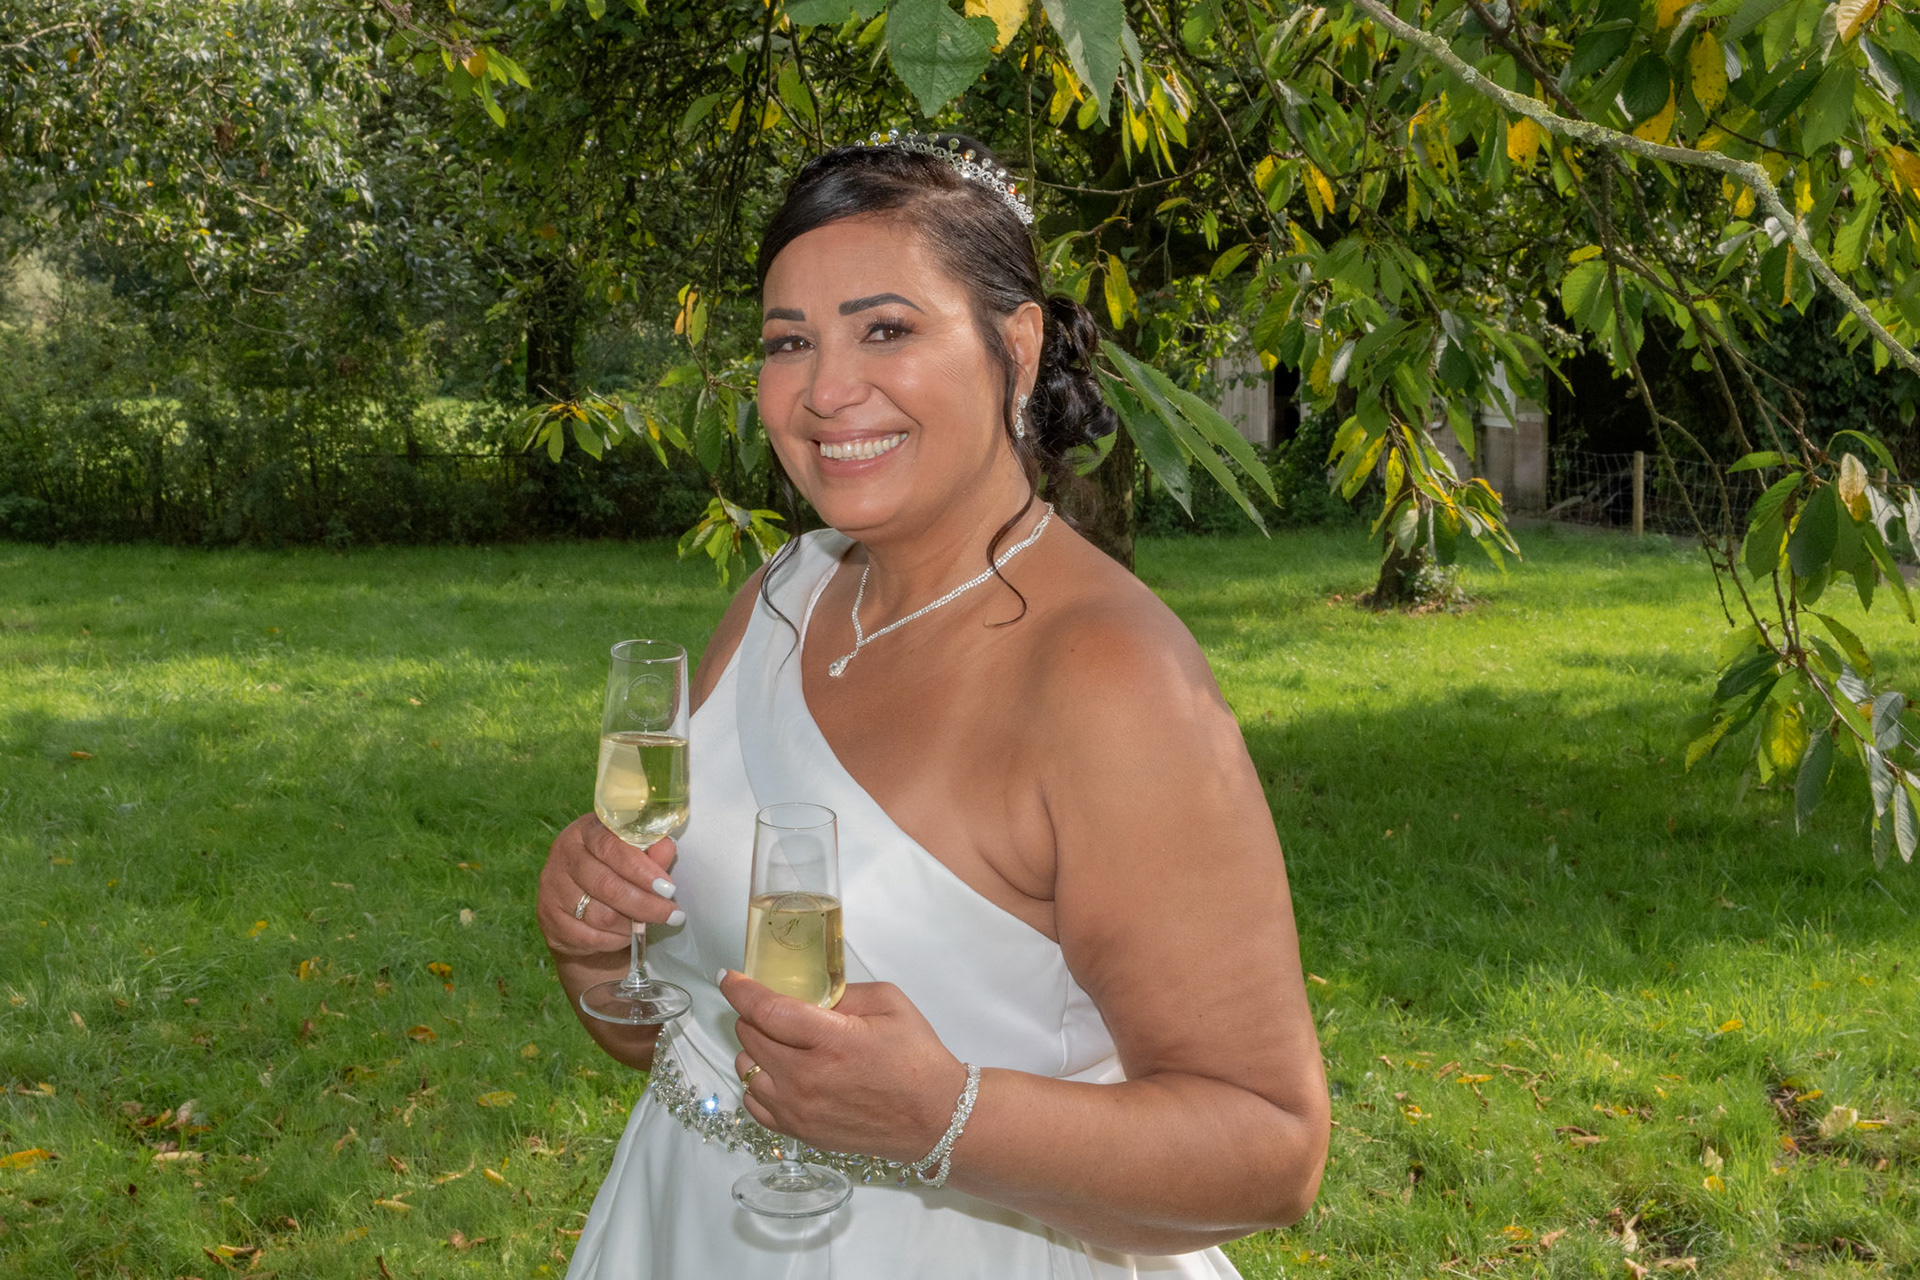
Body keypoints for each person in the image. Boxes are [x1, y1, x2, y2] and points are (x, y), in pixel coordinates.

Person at [535, 131, 1329, 1278]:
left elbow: (1272, 1145)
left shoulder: (1109, 675)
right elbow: (695, 1035)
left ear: (1017, 345)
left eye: (886, 329)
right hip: (682, 1229)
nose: (825, 391)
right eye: (789, 341)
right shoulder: (778, 598)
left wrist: (945, 1115)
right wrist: (598, 956)